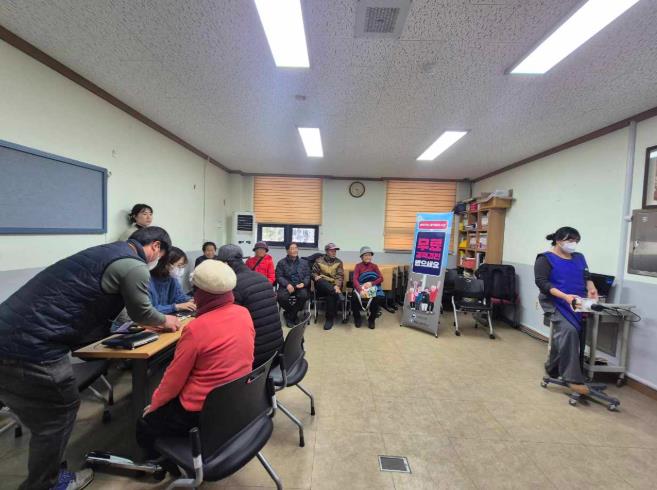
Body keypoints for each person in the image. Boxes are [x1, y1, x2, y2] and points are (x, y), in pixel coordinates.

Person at [0, 226, 181, 490]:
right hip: (32, 347)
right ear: (155, 246)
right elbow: (142, 312)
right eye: (161, 256)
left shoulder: (105, 252)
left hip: (12, 335)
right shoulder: (134, 265)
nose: (159, 261)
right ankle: (48, 484)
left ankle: (53, 473)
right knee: (57, 416)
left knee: (43, 418)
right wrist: (166, 320)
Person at [136, 260, 255, 457]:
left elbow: (173, 379)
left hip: (200, 409)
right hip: (236, 399)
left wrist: (155, 405)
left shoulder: (196, 328)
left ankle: (159, 463)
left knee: (145, 424)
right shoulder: (243, 313)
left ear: (200, 293)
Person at [534, 226, 598, 396]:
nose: (573, 244)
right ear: (558, 240)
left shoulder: (579, 257)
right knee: (569, 331)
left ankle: (553, 368)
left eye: (576, 241)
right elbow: (542, 283)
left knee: (572, 333)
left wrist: (591, 288)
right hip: (555, 301)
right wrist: (564, 296)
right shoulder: (545, 259)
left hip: (577, 302)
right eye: (570, 240)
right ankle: (572, 378)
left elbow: (587, 276)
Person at [217, 244, 283, 369]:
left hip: (256, 358)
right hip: (276, 351)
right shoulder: (262, 278)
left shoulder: (234, 284)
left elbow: (228, 324)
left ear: (226, 264)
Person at [149, 246, 196, 315]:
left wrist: (190, 300)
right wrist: (175, 307)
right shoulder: (148, 281)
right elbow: (149, 310)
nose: (181, 270)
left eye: (182, 266)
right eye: (179, 266)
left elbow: (179, 297)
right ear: (166, 264)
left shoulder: (172, 278)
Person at [276, 242, 311, 327]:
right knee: (281, 297)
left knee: (304, 295)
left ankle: (290, 316)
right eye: (292, 248)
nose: (294, 250)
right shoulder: (281, 263)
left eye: (296, 248)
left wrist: (303, 283)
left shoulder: (304, 262)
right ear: (287, 251)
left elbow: (308, 275)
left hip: (300, 285)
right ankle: (293, 314)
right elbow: (279, 276)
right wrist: (287, 284)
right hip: (287, 285)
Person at [312, 243, 345, 331]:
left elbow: (340, 276)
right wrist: (315, 276)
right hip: (322, 285)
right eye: (331, 251)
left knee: (331, 294)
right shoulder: (319, 260)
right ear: (326, 251)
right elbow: (313, 272)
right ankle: (337, 293)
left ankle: (329, 319)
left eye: (335, 251)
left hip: (334, 285)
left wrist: (337, 286)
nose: (334, 252)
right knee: (321, 281)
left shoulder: (339, 262)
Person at [352, 246, 383, 329]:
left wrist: (371, 283)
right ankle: (357, 318)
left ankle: (371, 319)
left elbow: (381, 278)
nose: (368, 257)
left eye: (369, 255)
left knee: (377, 298)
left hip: (371, 287)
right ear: (361, 257)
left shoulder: (374, 266)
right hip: (361, 287)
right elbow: (355, 279)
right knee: (354, 298)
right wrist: (360, 290)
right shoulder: (358, 266)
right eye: (365, 255)